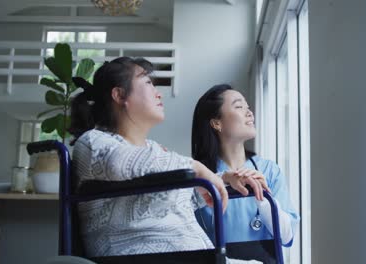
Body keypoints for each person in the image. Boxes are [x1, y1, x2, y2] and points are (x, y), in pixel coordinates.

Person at [69, 57, 261, 264]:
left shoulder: (154, 150)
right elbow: (120, 163)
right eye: (148, 83)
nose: (158, 93)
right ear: (119, 94)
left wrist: (224, 179)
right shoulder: (94, 142)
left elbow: (176, 198)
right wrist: (196, 168)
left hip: (191, 256)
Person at [192, 84, 300, 262]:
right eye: (239, 106)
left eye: (248, 107)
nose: (249, 112)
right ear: (216, 123)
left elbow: (287, 236)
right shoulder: (200, 177)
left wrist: (263, 198)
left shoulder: (269, 171)